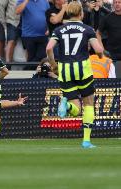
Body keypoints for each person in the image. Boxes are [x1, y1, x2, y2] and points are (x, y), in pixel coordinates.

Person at [46, 1, 104, 148]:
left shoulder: (59, 30)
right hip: (83, 71)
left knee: (76, 110)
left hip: (65, 71)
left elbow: (48, 48)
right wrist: (101, 54)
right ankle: (86, 141)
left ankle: (66, 105)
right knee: (88, 105)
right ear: (81, 14)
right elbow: (98, 49)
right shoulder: (87, 29)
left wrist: (54, 65)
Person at [0, 0, 21, 65]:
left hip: (27, 20)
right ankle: (8, 64)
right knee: (11, 41)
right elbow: (1, 5)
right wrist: (3, 20)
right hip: (13, 21)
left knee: (28, 42)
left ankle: (28, 65)